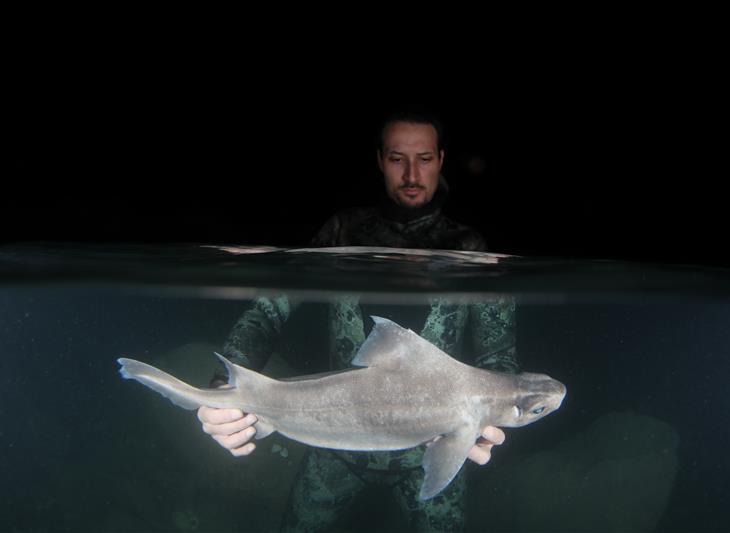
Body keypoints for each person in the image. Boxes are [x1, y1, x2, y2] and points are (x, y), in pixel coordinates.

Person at [198, 111, 518, 532]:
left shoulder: (469, 246)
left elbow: (499, 357)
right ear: (380, 161)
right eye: (396, 158)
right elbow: (268, 310)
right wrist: (225, 386)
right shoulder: (342, 231)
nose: (411, 173)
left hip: (434, 445)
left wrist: (487, 419)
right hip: (334, 449)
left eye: (423, 158)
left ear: (441, 160)